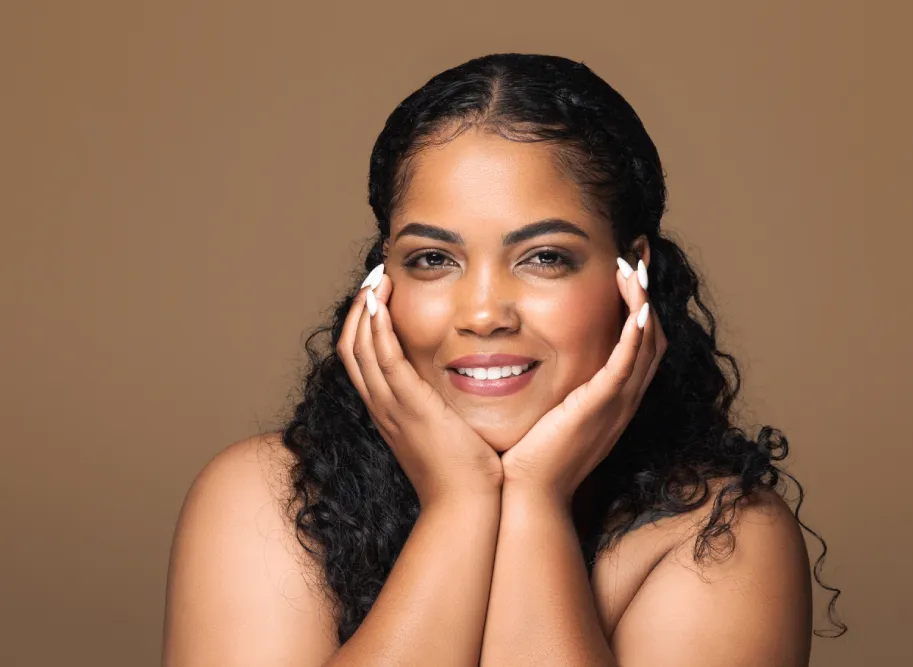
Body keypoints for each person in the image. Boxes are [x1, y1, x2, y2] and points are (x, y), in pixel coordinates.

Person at [162, 53, 845, 666]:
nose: (484, 312)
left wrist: (535, 503)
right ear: (383, 283)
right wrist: (458, 505)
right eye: (434, 259)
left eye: (544, 257)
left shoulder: (721, 534)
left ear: (629, 274)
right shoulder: (266, 497)